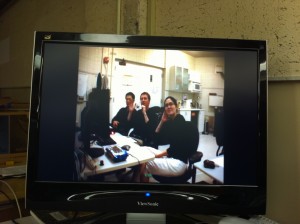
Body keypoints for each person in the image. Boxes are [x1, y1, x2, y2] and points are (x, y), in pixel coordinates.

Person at [139, 96, 193, 183]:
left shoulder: (179, 120)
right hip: (171, 157)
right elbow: (155, 137)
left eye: (171, 104)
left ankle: (145, 179)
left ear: (176, 106)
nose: (168, 107)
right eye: (166, 105)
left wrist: (155, 156)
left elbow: (174, 149)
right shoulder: (170, 122)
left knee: (146, 163)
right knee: (144, 149)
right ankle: (146, 175)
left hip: (179, 163)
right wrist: (162, 121)